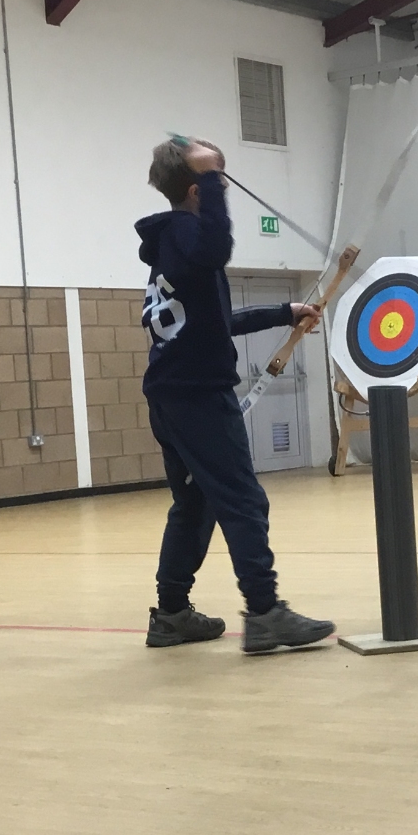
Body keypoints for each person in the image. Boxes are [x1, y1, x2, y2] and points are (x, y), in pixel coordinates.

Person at [136, 137, 335, 653]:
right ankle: (265, 613)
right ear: (196, 191)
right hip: (198, 397)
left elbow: (216, 322)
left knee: (195, 503)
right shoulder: (188, 234)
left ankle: (171, 614)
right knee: (244, 501)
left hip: (171, 396)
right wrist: (208, 177)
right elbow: (217, 246)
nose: (220, 188)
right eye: (214, 182)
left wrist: (282, 313)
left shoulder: (172, 247)